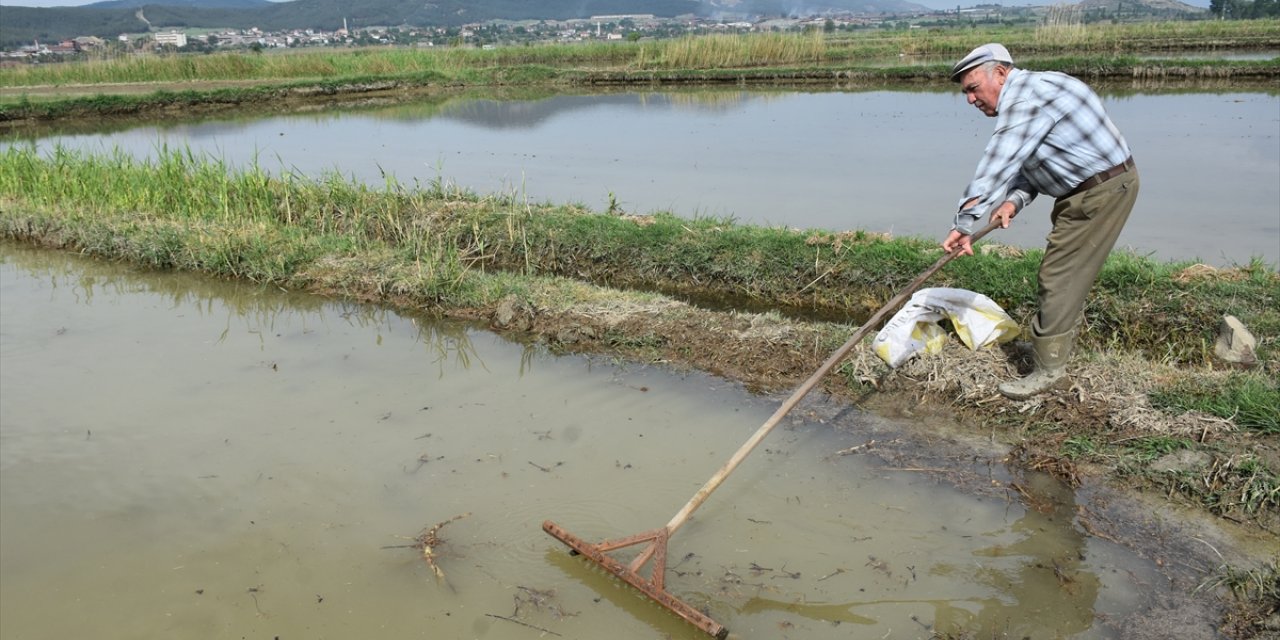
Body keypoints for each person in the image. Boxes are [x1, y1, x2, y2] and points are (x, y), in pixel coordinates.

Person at [942, 43, 1139, 400]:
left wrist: (964, 221)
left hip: (1100, 191)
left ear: (1000, 73)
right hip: (1090, 187)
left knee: (1058, 276)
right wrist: (1013, 201)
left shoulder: (1027, 101)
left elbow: (998, 161)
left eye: (973, 88)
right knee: (1066, 273)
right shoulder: (1035, 92)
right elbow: (1037, 158)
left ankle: (1049, 371)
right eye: (965, 92)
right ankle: (1055, 350)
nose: (970, 99)